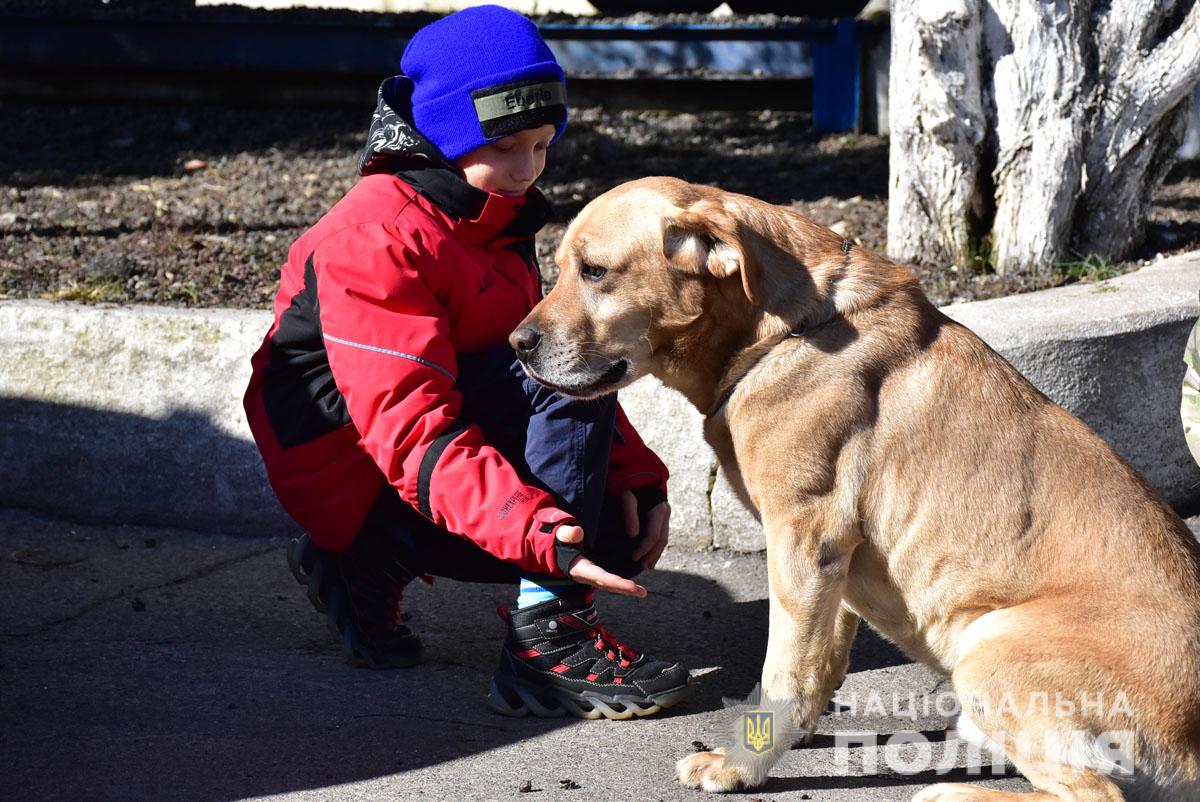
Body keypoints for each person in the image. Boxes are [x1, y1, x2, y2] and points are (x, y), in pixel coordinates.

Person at [242, 4, 690, 720]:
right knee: (569, 495)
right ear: (444, 133)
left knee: (619, 523)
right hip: (352, 473)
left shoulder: (486, 215)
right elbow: (412, 428)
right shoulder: (377, 236)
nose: (527, 169)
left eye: (543, 144)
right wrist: (540, 536)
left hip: (410, 456)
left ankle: (363, 566)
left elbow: (534, 367)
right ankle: (546, 641)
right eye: (507, 144)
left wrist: (632, 472)